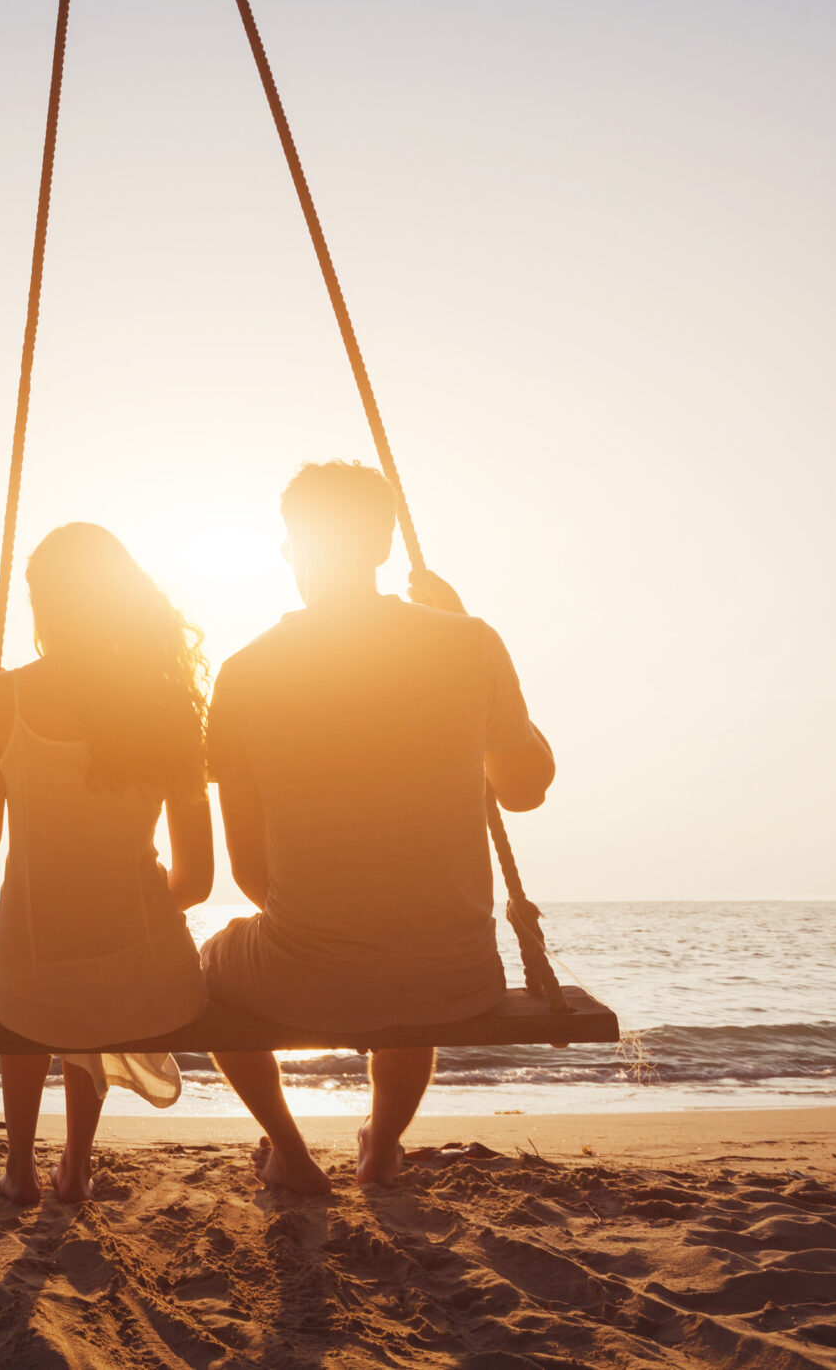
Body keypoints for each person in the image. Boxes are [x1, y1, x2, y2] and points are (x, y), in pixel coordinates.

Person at [199, 461, 554, 1194]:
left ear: (291, 547)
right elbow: (525, 789)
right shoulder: (470, 641)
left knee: (210, 972)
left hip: (307, 971)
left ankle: (290, 1151)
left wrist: (332, 924)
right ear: (386, 542)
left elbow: (248, 874)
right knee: (411, 956)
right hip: (457, 977)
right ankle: (380, 1145)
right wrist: (461, 623)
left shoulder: (244, 672)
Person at [0, 523, 215, 1204]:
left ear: (43, 602)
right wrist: (131, 918)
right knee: (92, 967)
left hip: (29, 981)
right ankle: (78, 1162)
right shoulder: (169, 704)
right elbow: (199, 879)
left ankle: (19, 1167)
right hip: (153, 980)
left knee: (37, 977)